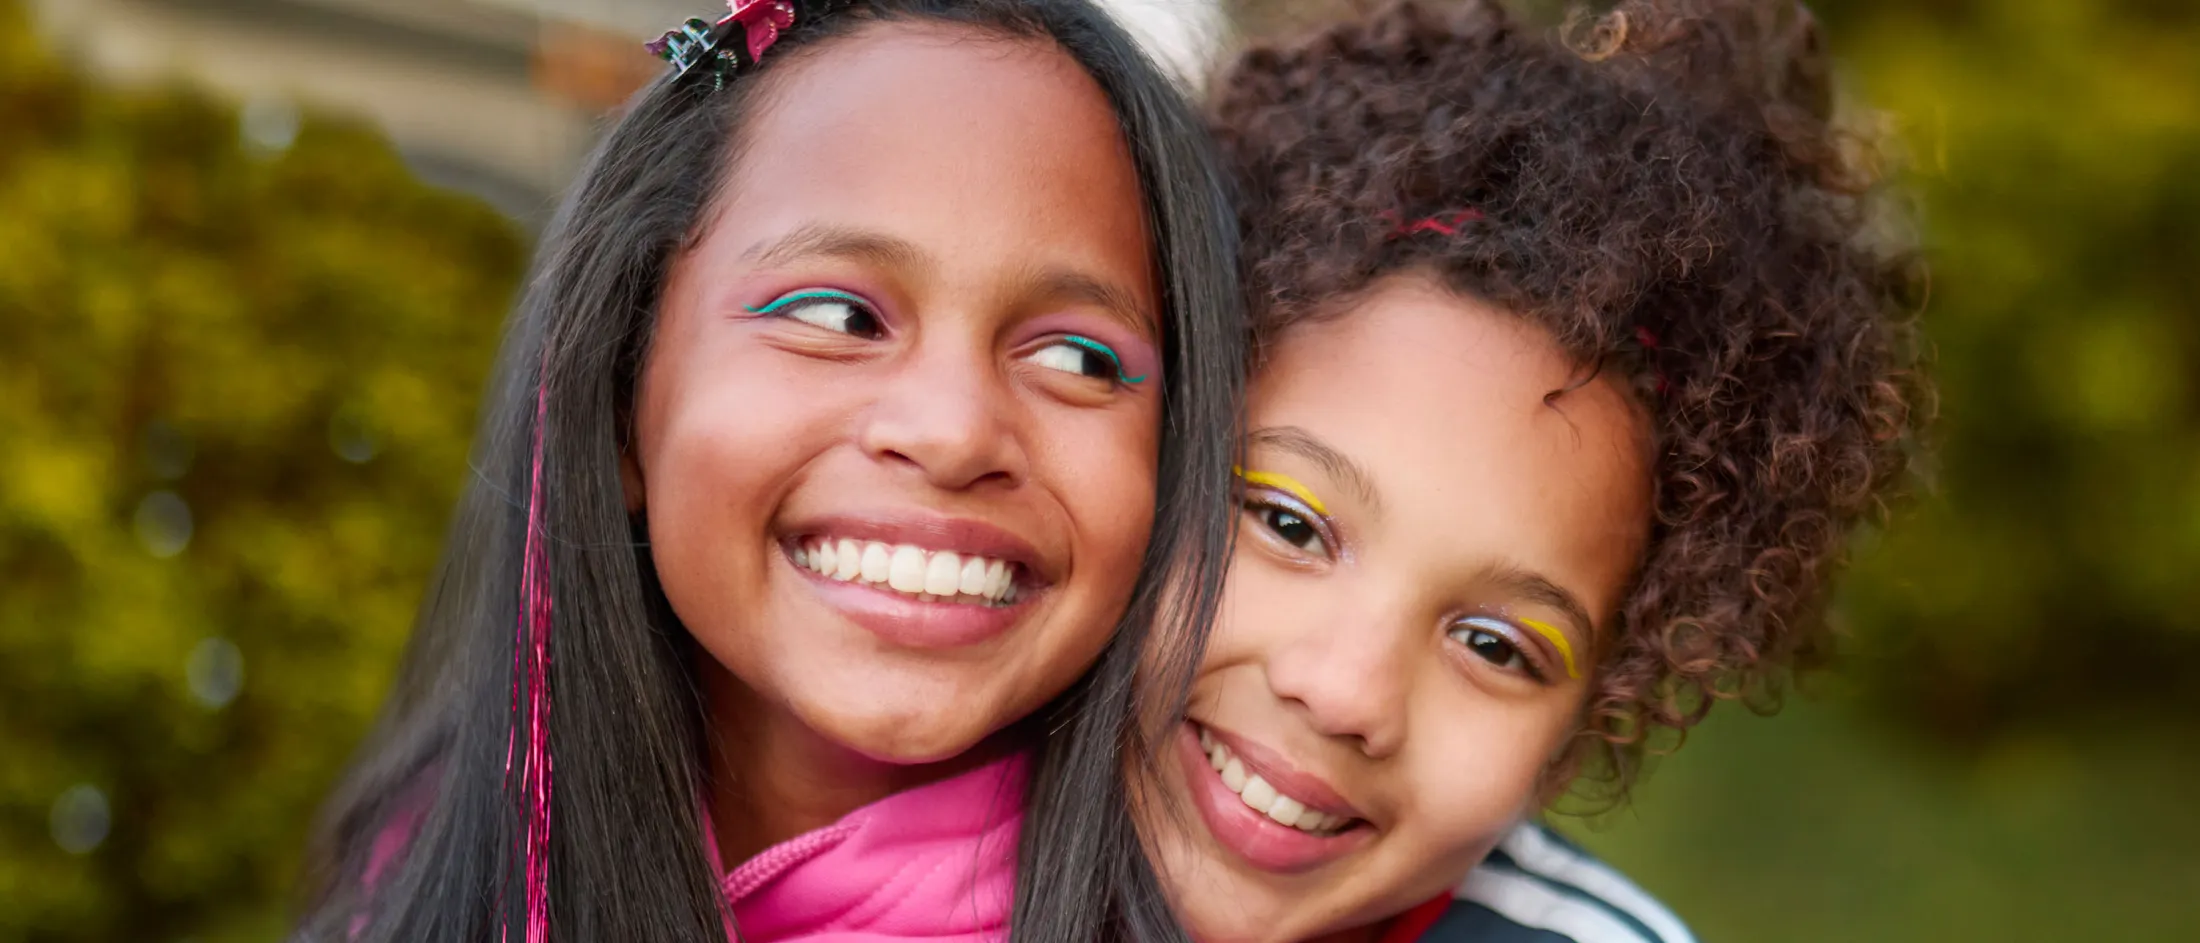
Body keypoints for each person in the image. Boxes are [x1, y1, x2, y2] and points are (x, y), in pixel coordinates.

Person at [294, 1, 1244, 941]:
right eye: (837, 317)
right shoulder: (421, 876)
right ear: (624, 399)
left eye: (1077, 358)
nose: (953, 433)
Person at [1135, 1, 1928, 940]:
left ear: (1586, 719)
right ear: (1158, 440)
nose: (1348, 693)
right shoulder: (934, 743)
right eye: (1290, 525)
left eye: (1493, 644)